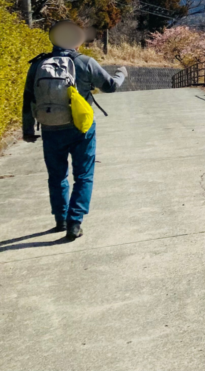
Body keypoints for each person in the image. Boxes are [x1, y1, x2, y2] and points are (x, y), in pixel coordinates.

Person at [22, 21, 127, 241]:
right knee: (83, 175)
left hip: (51, 128)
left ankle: (60, 219)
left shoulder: (38, 64)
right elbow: (110, 86)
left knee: (57, 175)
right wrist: (121, 73)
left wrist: (28, 129)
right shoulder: (85, 62)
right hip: (81, 129)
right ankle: (74, 222)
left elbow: (29, 98)